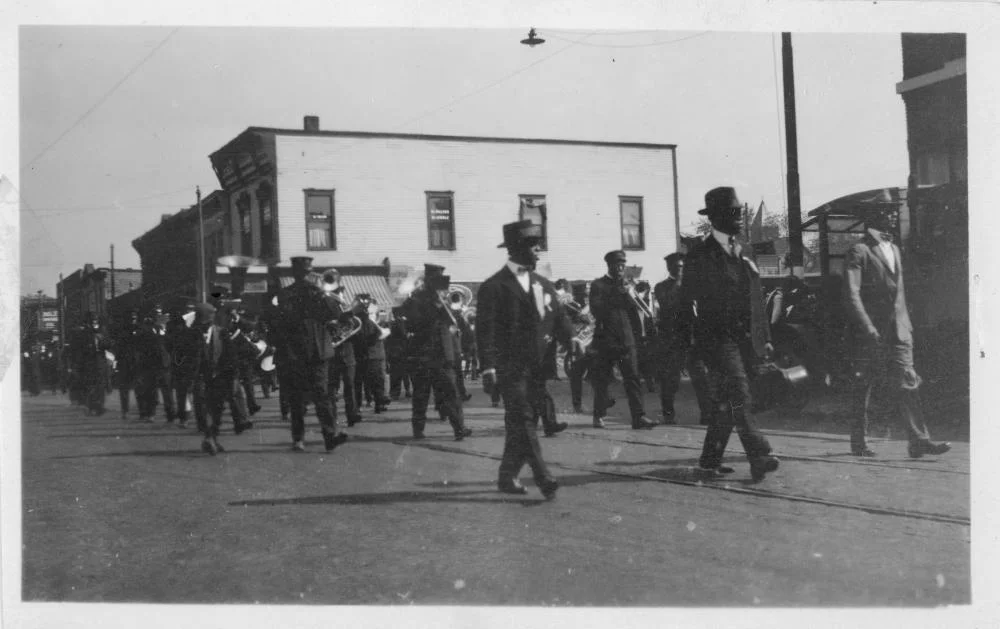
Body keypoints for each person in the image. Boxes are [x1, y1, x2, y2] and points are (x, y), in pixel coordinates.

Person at [680, 186, 780, 481]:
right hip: (716, 340)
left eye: (740, 212)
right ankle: (759, 454)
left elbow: (755, 301)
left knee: (726, 402)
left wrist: (765, 339)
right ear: (715, 217)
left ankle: (709, 461)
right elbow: (685, 303)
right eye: (732, 213)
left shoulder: (744, 250)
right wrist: (692, 344)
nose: (739, 218)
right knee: (739, 393)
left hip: (744, 340)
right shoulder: (700, 255)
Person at [477, 220, 572, 499]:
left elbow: (558, 317)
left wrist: (572, 338)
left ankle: (507, 476)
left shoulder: (542, 283)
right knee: (524, 419)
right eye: (533, 245)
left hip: (538, 367)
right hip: (510, 368)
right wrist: (488, 367)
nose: (538, 251)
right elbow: (485, 331)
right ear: (517, 249)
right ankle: (543, 476)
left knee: (519, 422)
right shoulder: (493, 287)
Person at [844, 212, 950, 458]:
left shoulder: (895, 249)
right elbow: (852, 293)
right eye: (886, 212)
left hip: (899, 331)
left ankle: (918, 441)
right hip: (869, 333)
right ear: (875, 218)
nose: (892, 217)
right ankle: (858, 441)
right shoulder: (859, 251)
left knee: (908, 382)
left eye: (894, 212)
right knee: (863, 385)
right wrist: (867, 326)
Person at [275, 256, 349, 453]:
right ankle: (298, 438)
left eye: (310, 273)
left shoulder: (319, 294)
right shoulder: (286, 294)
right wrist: (315, 294)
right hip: (296, 351)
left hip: (317, 352)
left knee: (322, 396)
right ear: (297, 274)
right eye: (306, 273)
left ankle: (330, 436)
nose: (310, 276)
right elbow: (285, 318)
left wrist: (322, 294)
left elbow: (335, 314)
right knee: (297, 398)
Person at [588, 250, 657, 430]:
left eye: (623, 264)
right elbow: (597, 310)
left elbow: (634, 313)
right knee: (602, 380)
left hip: (626, 339)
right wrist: (618, 292)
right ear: (609, 265)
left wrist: (638, 335)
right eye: (617, 265)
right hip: (606, 339)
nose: (620, 268)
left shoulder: (627, 287)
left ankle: (638, 417)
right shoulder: (598, 285)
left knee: (633, 378)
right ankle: (598, 415)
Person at [402, 264, 472, 441]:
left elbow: (453, 324)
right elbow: (411, 323)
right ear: (428, 281)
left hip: (443, 356)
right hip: (423, 354)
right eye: (437, 281)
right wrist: (432, 309)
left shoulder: (444, 301)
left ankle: (459, 428)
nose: (441, 287)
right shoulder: (415, 299)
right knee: (421, 395)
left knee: (452, 393)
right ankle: (418, 430)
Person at [653, 253, 712, 425]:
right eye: (677, 267)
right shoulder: (662, 287)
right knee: (671, 380)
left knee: (701, 378)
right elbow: (667, 304)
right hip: (673, 341)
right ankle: (668, 414)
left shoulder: (692, 286)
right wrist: (681, 285)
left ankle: (706, 414)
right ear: (669, 268)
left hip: (692, 340)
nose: (680, 270)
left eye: (682, 267)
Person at [134, 305, 176, 423]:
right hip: (151, 364)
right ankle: (150, 413)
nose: (158, 317)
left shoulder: (166, 329)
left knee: (167, 391)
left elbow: (171, 344)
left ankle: (170, 414)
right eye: (156, 314)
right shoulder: (145, 330)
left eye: (160, 314)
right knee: (151, 390)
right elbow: (141, 345)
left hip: (165, 364)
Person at [386, 306, 413, 400]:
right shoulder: (401, 322)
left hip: (393, 351)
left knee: (395, 374)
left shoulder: (391, 324)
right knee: (404, 373)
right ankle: (406, 390)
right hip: (402, 350)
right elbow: (404, 335)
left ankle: (394, 393)